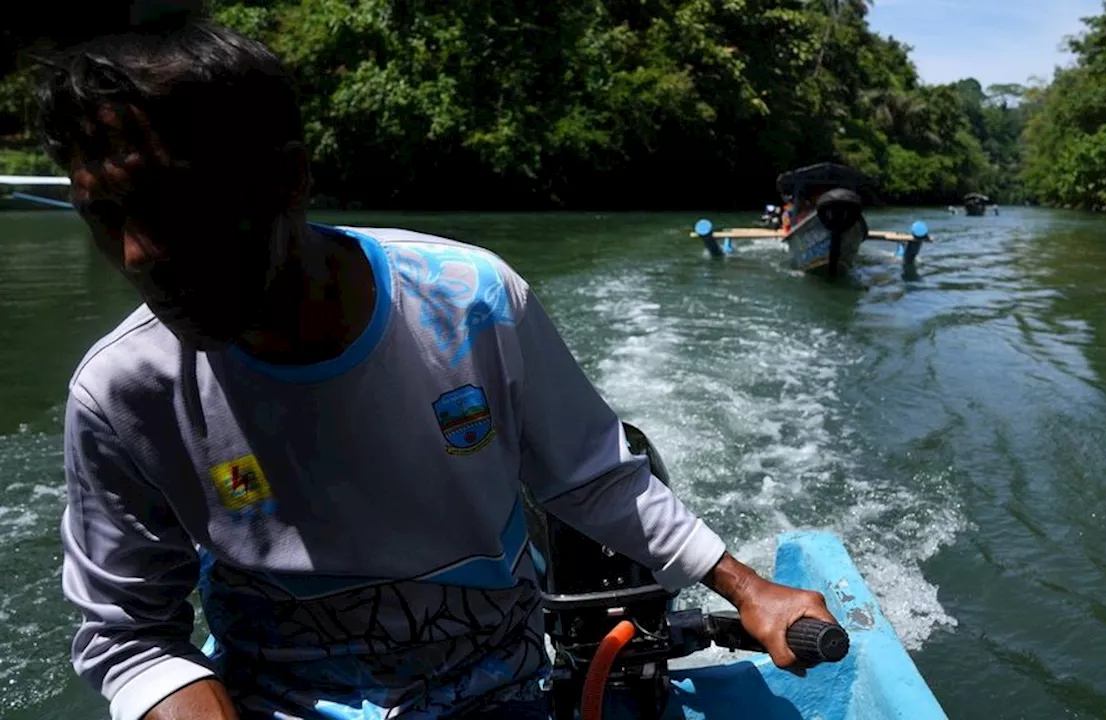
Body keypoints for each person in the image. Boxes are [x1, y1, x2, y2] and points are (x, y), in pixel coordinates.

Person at [38, 18, 837, 720]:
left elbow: (592, 475)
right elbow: (131, 633)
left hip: (493, 692)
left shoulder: (472, 301)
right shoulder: (120, 392)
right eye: (105, 216)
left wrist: (745, 586)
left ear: (289, 179)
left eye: (178, 203)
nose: (141, 254)